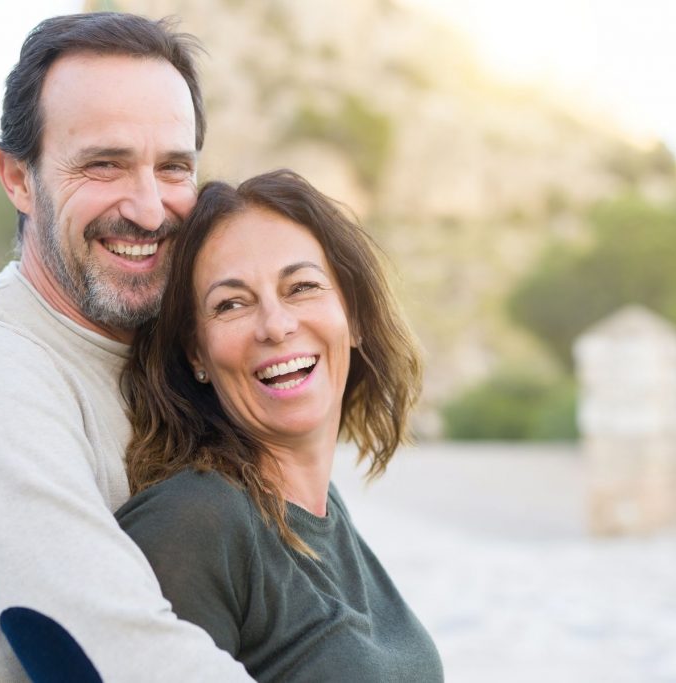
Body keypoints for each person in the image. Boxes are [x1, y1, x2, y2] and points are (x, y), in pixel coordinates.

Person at [0, 12, 252, 682]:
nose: (146, 207)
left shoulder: (176, 353)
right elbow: (118, 660)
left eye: (173, 167)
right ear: (19, 178)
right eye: (103, 165)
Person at [115, 169, 444, 682]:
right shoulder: (195, 521)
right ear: (196, 352)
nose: (276, 325)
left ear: (353, 317)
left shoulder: (321, 508)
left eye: (302, 287)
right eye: (231, 304)